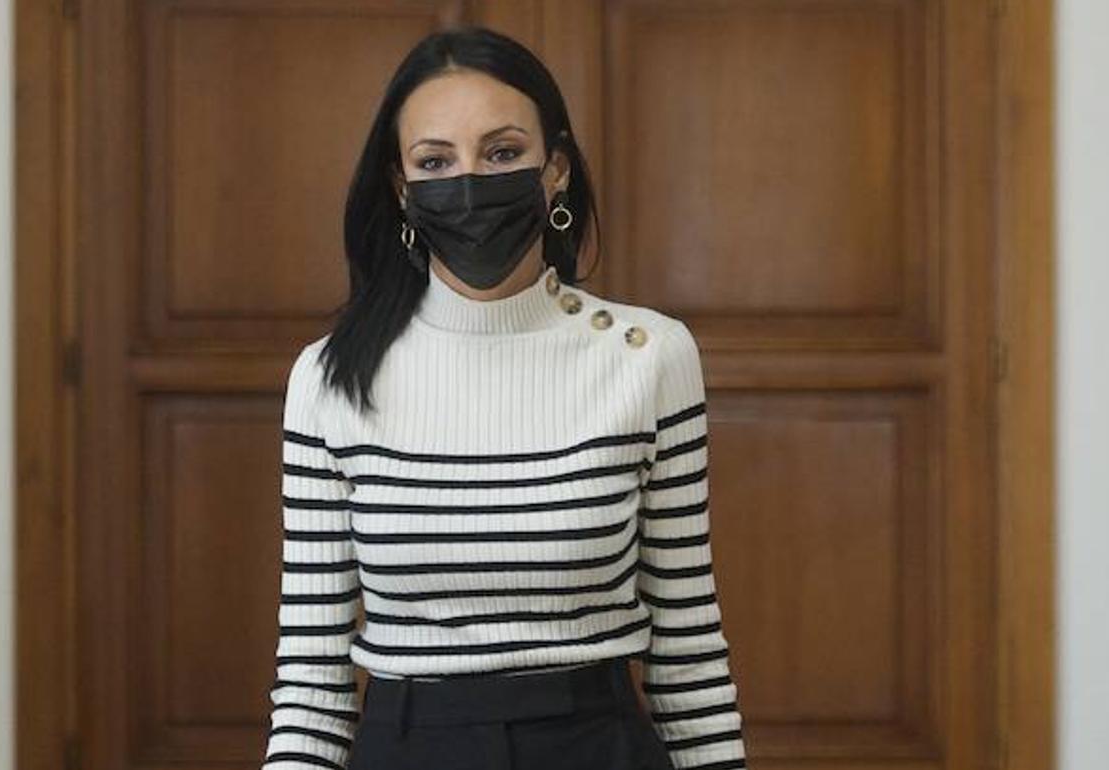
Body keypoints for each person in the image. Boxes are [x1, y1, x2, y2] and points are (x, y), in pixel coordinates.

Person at [262, 24, 748, 770]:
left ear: (555, 170)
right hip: (408, 748)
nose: (469, 182)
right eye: (435, 161)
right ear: (401, 186)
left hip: (599, 745)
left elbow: (689, 649)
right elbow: (310, 682)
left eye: (501, 152)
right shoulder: (329, 377)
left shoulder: (648, 357)